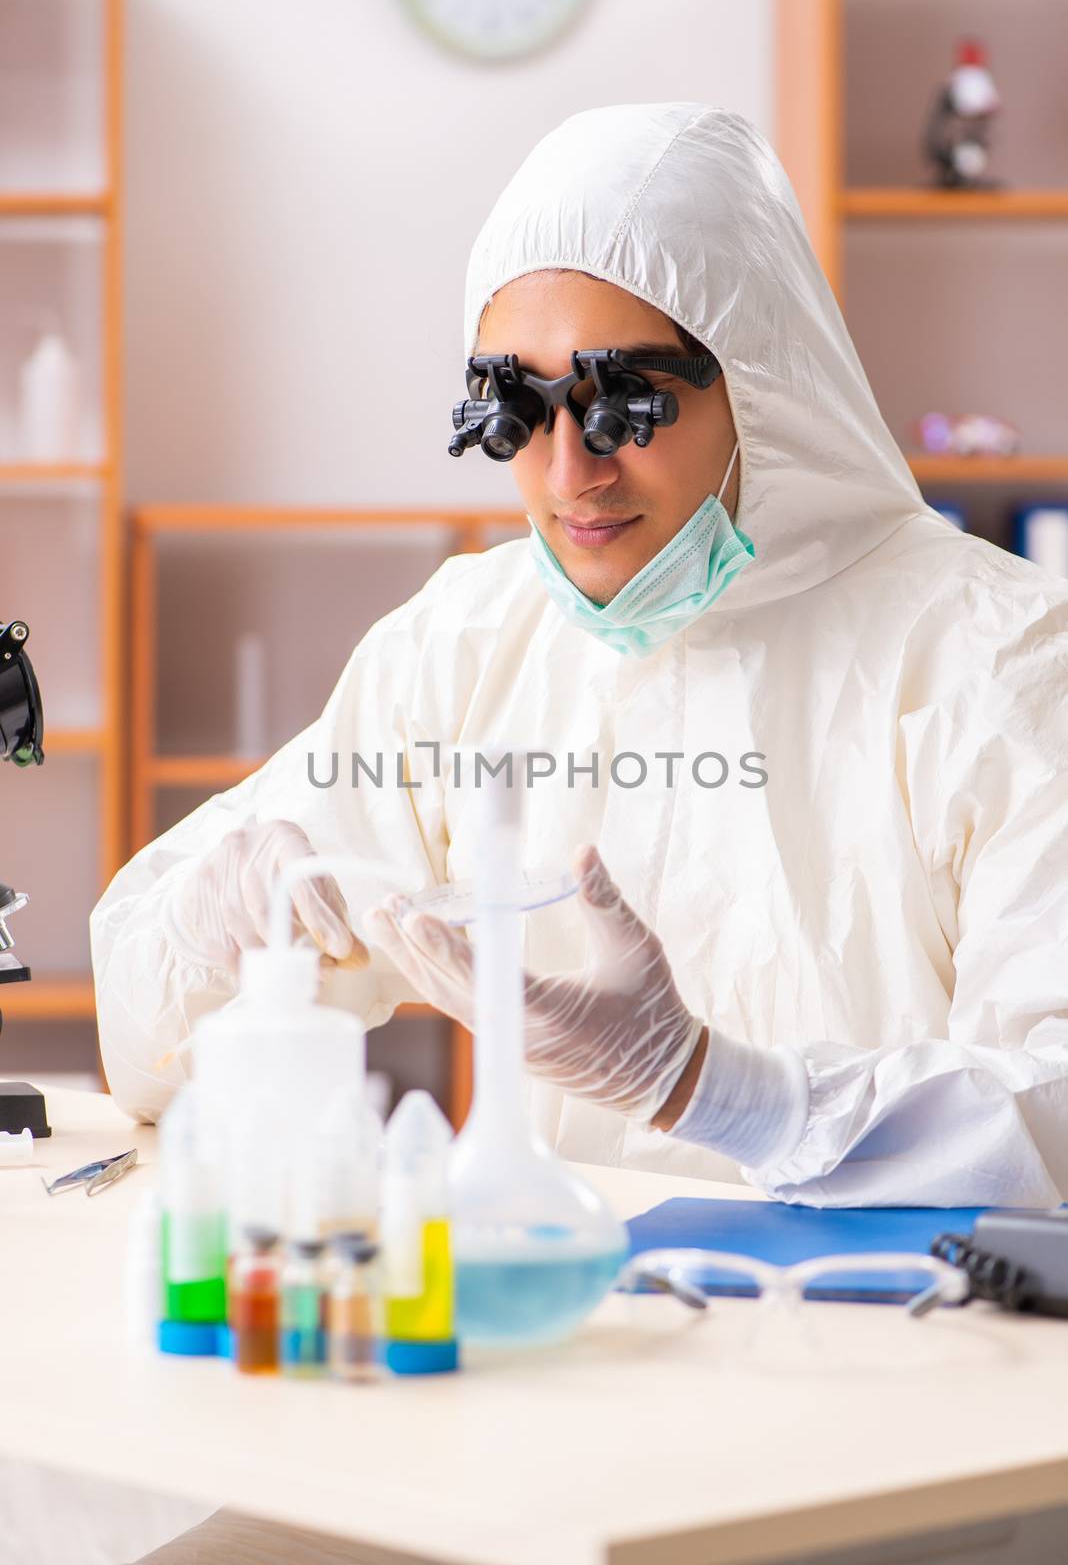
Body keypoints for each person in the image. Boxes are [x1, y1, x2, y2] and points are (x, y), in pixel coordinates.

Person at [91, 103, 1068, 1208]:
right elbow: (140, 1054)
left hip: (914, 1350)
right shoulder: (470, 643)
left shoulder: (1003, 661)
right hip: (574, 1340)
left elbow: (1057, 1110)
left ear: (763, 389)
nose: (569, 479)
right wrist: (211, 932)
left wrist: (719, 1091)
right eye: (515, 409)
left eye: (626, 407)